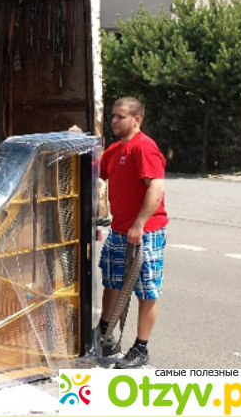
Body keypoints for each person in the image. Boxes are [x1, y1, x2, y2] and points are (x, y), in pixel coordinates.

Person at [71, 96, 168, 368]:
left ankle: (141, 347)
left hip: (145, 232)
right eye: (112, 116)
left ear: (137, 120)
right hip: (119, 230)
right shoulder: (116, 150)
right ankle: (105, 333)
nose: (114, 121)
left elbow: (157, 187)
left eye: (120, 117)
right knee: (112, 283)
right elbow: (95, 171)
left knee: (146, 290)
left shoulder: (144, 147)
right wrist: (78, 143)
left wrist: (139, 224)